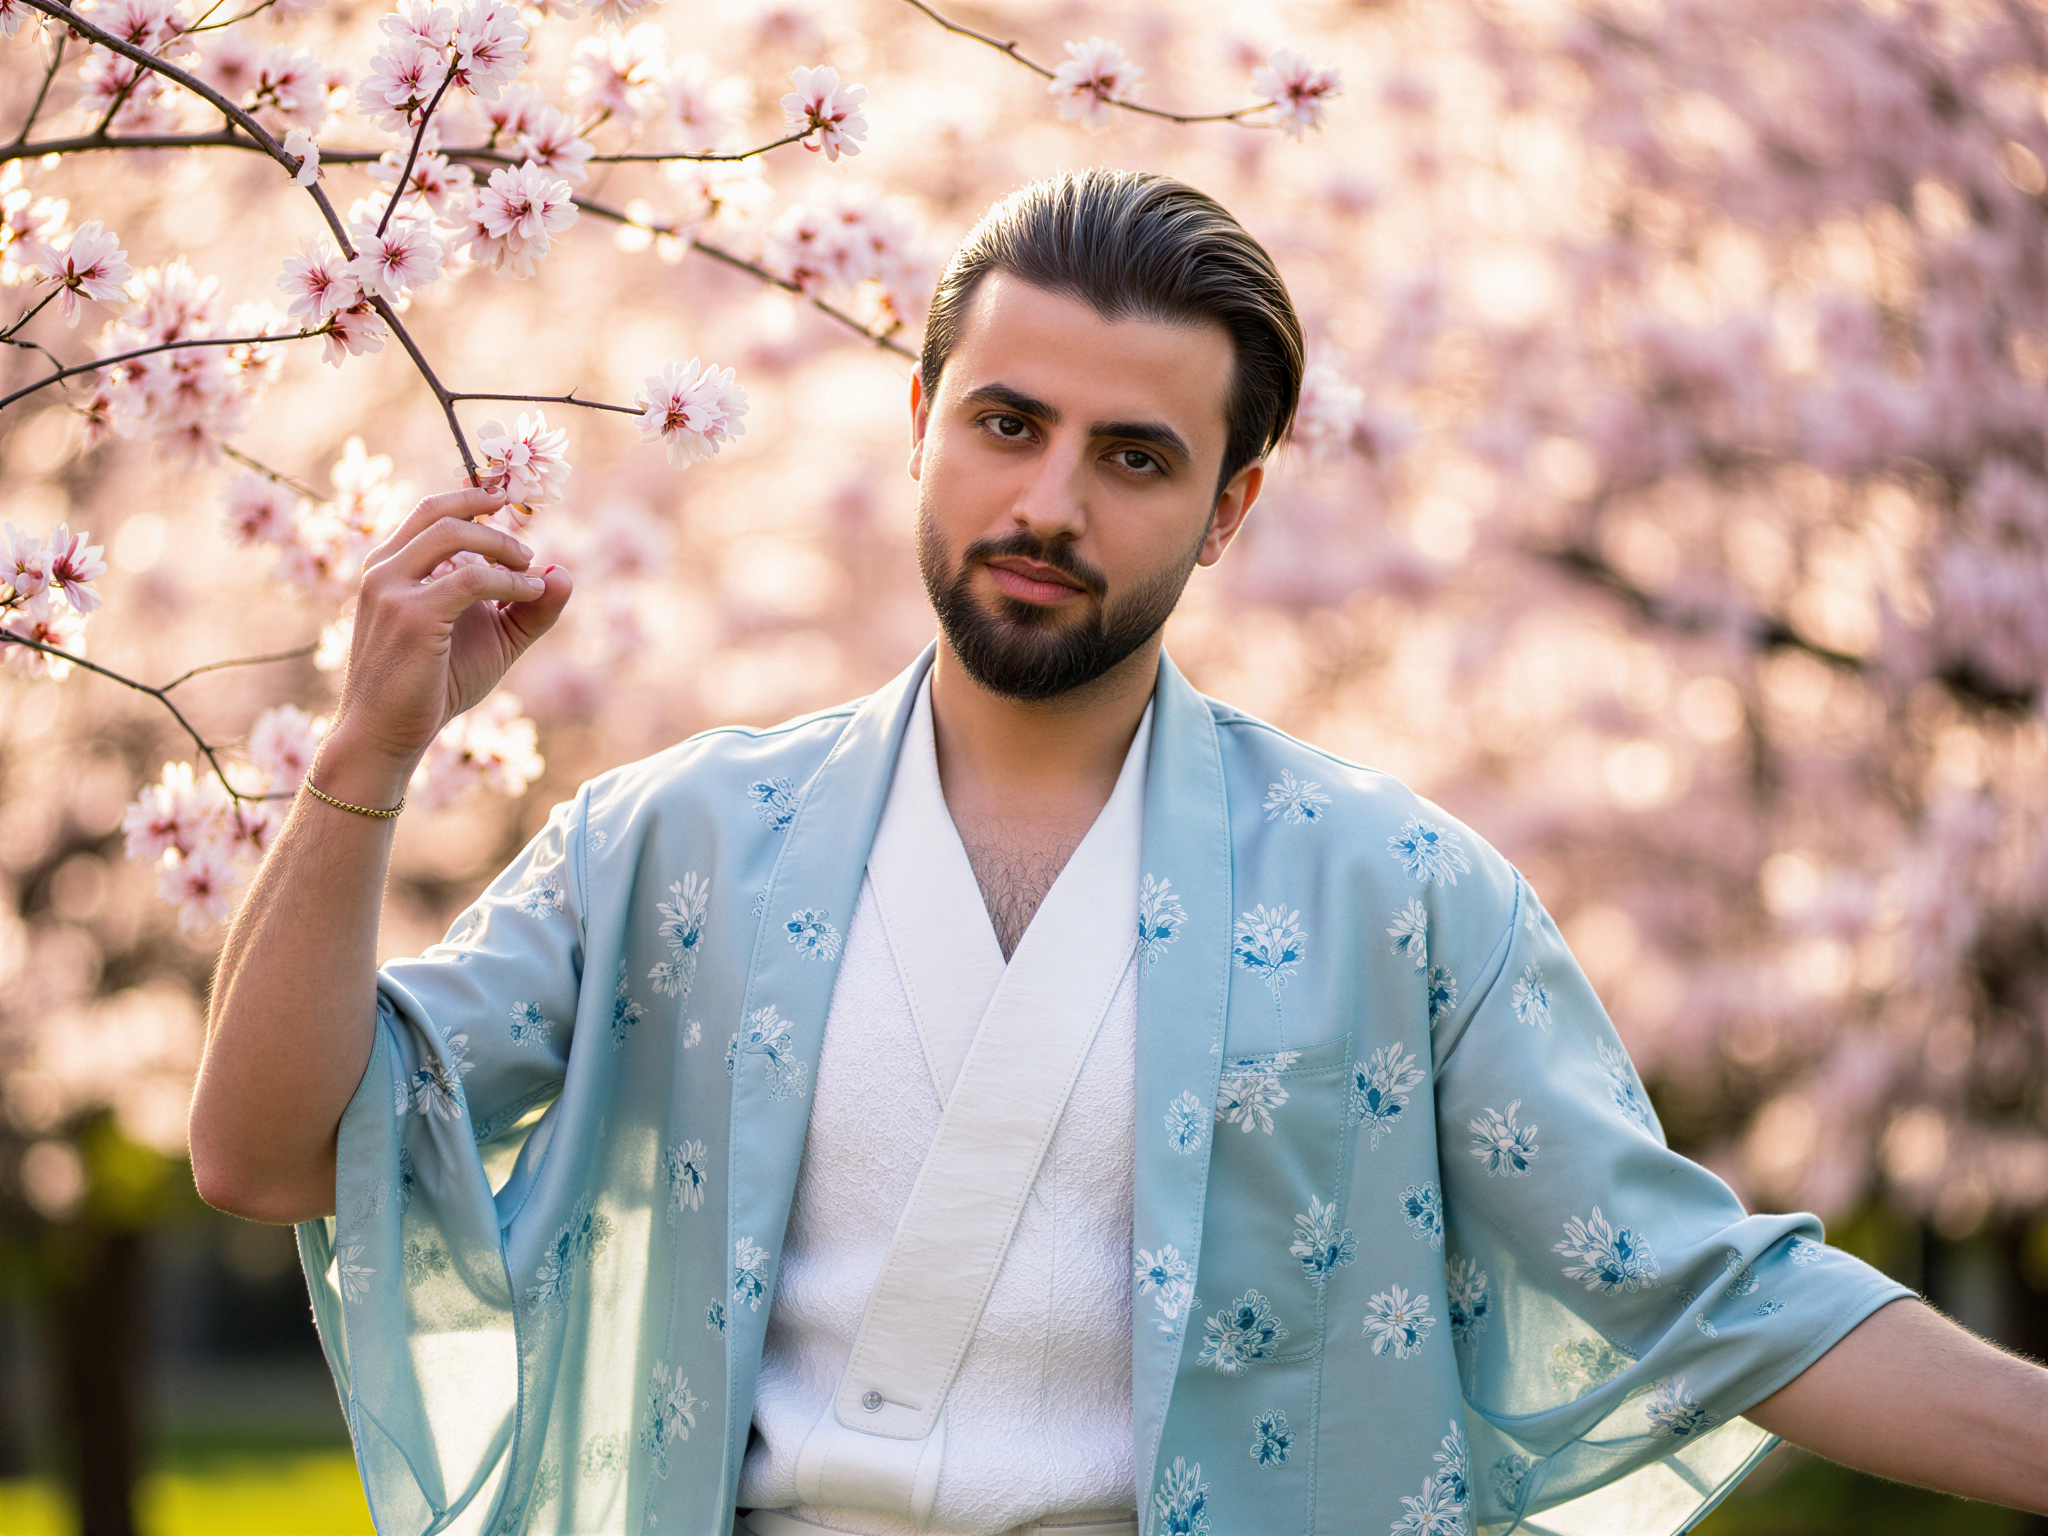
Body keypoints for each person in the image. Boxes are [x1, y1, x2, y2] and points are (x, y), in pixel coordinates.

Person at [191, 169, 2048, 1536]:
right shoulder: (674, 842)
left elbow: (1698, 1284)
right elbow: (268, 1149)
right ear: (920, 429)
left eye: (1137, 458)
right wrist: (367, 752)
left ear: (1233, 506)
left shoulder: (1391, 895)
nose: (1049, 504)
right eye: (1006, 425)